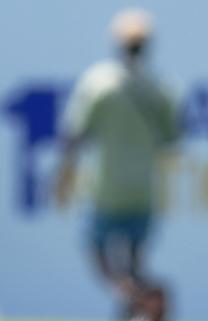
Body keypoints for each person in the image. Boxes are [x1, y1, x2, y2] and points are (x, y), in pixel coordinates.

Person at [55, 8, 179, 304]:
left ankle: (132, 300)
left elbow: (73, 134)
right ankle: (142, 305)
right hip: (142, 190)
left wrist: (64, 175)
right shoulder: (160, 88)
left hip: (106, 189)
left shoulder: (99, 83)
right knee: (136, 264)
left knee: (98, 253)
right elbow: (171, 139)